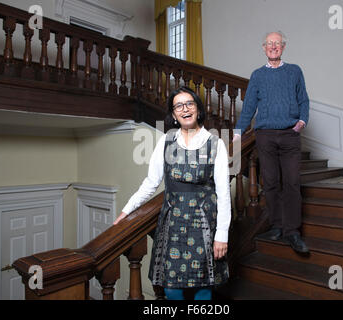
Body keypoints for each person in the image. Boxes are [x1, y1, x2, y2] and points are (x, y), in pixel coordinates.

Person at [114, 86, 231, 300]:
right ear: (174, 113)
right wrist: (127, 210)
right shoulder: (166, 141)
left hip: (204, 224)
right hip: (173, 223)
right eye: (179, 105)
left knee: (202, 287)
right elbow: (151, 182)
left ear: (197, 109)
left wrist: (221, 235)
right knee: (171, 288)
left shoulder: (216, 143)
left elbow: (224, 194)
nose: (184, 109)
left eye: (189, 104)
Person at [233, 31, 310, 254]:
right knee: (271, 182)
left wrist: (302, 120)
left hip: (289, 135)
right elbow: (248, 107)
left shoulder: (294, 71)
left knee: (293, 182)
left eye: (277, 43)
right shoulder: (257, 75)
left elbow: (303, 99)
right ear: (264, 48)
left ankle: (292, 231)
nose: (273, 47)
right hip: (265, 135)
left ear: (283, 47)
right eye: (270, 43)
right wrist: (238, 132)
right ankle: (276, 226)